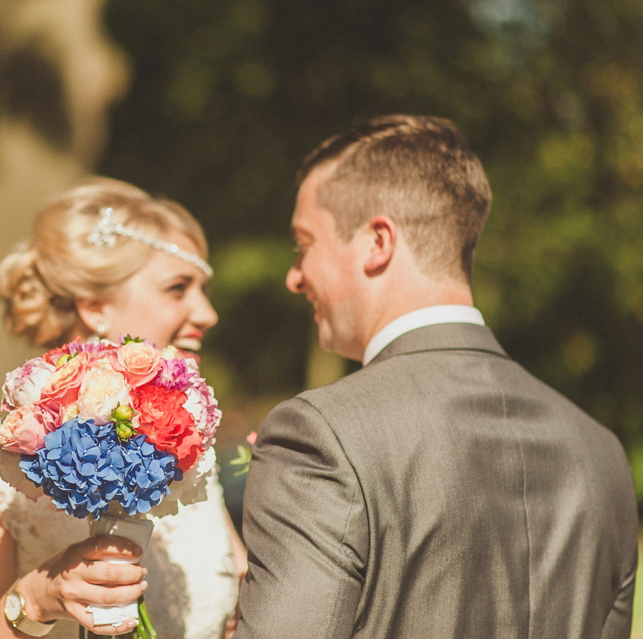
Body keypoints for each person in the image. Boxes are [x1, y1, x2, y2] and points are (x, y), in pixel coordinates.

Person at [235, 115, 638, 638]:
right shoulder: (600, 452)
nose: (295, 276)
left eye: (304, 245)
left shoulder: (320, 434)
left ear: (378, 242)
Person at [0, 178, 246, 639]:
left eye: (202, 289)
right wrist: (34, 601)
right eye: (178, 288)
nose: (207, 312)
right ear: (94, 306)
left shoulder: (187, 459)